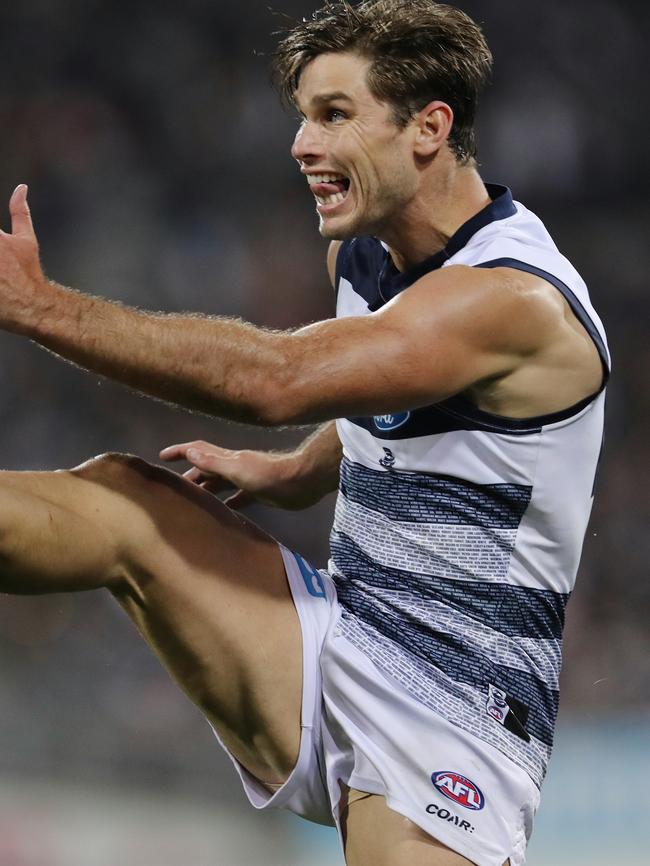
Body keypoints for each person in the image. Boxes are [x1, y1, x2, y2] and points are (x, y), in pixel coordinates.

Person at [0, 1, 608, 864]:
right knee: (123, 504)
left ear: (428, 127)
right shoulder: (366, 251)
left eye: (334, 114)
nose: (301, 143)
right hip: (338, 630)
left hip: (458, 709)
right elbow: (393, 395)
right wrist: (302, 470)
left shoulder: (512, 299)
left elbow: (276, 380)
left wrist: (41, 309)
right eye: (302, 115)